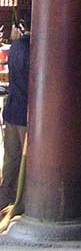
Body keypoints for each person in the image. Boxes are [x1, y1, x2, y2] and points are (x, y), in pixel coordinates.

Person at [0, 21, 30, 209]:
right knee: (27, 159)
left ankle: (5, 198)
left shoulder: (16, 47)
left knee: (12, 158)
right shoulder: (35, 49)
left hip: (12, 109)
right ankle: (22, 200)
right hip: (27, 113)